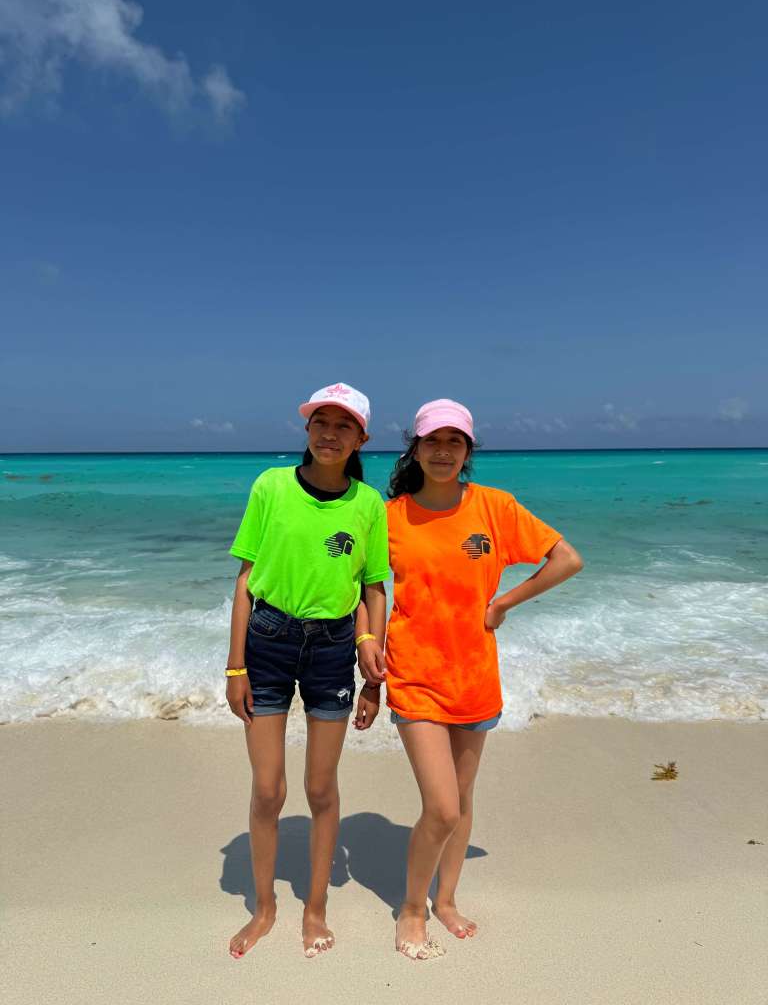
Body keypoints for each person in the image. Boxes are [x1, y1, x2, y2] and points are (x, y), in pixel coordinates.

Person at [358, 398, 583, 960]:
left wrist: (504, 601)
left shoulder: (494, 508)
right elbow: (365, 590)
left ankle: (447, 898)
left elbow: (566, 559)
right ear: (415, 447)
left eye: (454, 442)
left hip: (476, 675)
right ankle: (411, 908)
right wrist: (368, 652)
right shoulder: (389, 516)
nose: (442, 451)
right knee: (443, 807)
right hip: (413, 675)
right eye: (432, 440)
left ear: (467, 451)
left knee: (462, 798)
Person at [225, 383, 388, 959]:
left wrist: (373, 668)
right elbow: (246, 579)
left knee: (321, 787)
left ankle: (315, 908)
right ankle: (265, 908)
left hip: (333, 648)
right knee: (268, 789)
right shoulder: (270, 486)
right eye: (321, 421)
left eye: (344, 426)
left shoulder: (368, 503)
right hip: (267, 641)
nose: (330, 433)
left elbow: (372, 587)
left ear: (361, 438)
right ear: (307, 429)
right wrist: (234, 665)